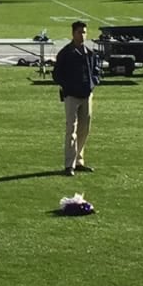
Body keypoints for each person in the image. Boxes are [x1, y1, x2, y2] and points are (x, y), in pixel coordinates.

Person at [52, 19, 103, 177]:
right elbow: (57, 75)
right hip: (72, 96)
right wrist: (69, 87)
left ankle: (79, 160)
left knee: (84, 129)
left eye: (84, 32)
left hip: (86, 95)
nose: (82, 35)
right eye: (79, 32)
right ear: (73, 33)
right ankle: (69, 164)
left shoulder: (89, 53)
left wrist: (92, 84)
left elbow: (96, 71)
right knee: (71, 130)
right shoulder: (66, 53)